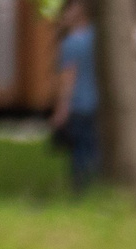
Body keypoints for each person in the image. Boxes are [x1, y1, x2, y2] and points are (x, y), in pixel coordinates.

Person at [49, 0, 99, 194]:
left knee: (79, 151)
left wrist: (61, 111)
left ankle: (81, 190)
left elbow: (68, 80)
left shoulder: (71, 43)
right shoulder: (98, 38)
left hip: (79, 105)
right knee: (94, 149)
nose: (63, 17)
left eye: (66, 12)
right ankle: (95, 186)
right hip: (98, 104)